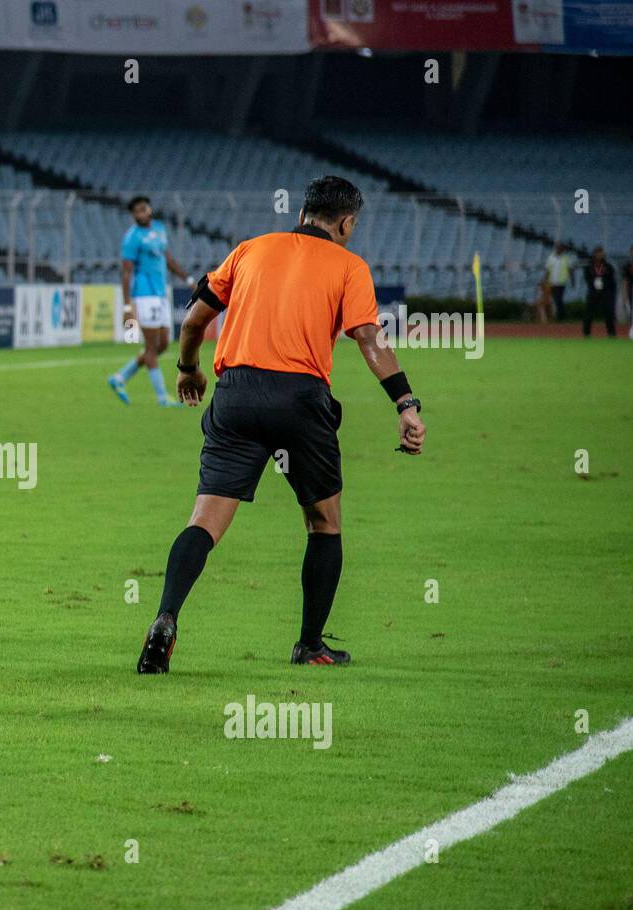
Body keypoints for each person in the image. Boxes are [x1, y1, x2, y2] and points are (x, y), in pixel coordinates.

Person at [135, 176, 425, 673]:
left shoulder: (250, 250)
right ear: (347, 223)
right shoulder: (350, 266)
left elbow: (191, 324)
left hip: (237, 393)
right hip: (300, 399)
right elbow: (370, 340)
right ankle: (310, 645)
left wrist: (187, 368)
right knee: (323, 521)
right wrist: (405, 402)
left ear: (301, 213)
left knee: (203, 521)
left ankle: (166, 616)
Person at [108, 196, 196, 408]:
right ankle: (162, 397)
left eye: (144, 208)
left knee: (163, 344)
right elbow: (126, 273)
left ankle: (120, 378)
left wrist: (188, 279)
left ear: (149, 209)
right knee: (150, 347)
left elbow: (168, 260)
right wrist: (128, 306)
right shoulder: (132, 238)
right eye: (137, 211)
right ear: (133, 215)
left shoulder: (159, 229)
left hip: (160, 294)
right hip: (144, 296)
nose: (142, 213)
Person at [582, 247, 617, 338]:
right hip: (593, 292)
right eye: (598, 253)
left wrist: (605, 286)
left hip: (605, 293)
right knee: (589, 313)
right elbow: (587, 278)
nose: (600, 255)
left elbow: (611, 280)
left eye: (601, 253)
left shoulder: (608, 267)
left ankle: (611, 333)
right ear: (594, 254)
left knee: (608, 312)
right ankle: (586, 333)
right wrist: (594, 285)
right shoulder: (589, 267)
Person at [544, 242, 574, 321]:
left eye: (561, 248)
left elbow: (570, 270)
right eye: (558, 248)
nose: (559, 249)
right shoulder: (551, 258)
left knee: (558, 299)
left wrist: (572, 280)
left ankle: (560, 316)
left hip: (561, 282)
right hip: (552, 282)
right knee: (555, 299)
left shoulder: (566, 258)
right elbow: (547, 270)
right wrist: (545, 280)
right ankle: (559, 315)